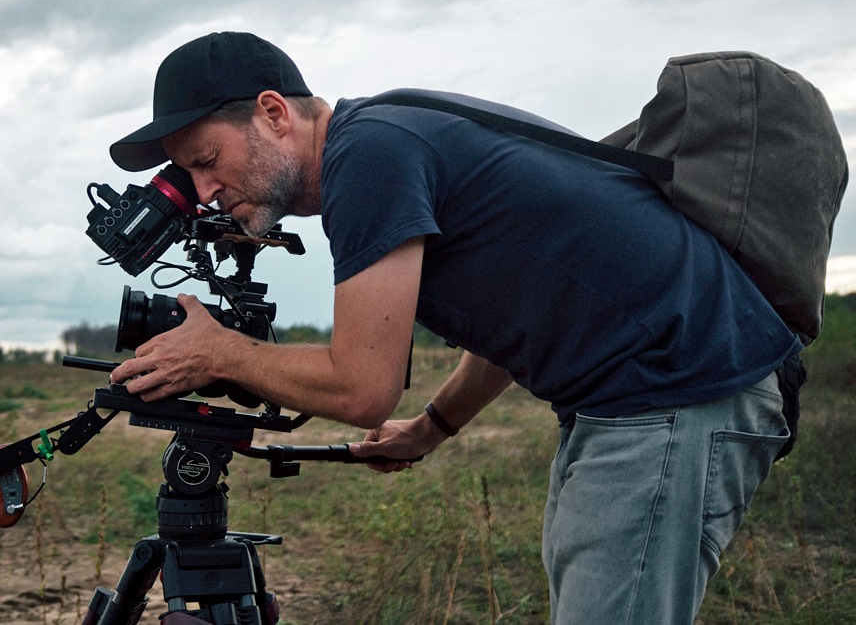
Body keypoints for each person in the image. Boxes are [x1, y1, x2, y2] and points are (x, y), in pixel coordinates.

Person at [107, 31, 801, 624]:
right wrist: (435, 424)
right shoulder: (385, 135)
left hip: (677, 390)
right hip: (639, 399)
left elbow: (363, 387)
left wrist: (221, 351)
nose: (203, 192)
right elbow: (514, 313)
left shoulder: (368, 156)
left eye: (205, 161)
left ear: (273, 113)